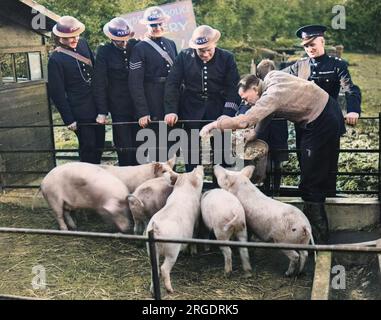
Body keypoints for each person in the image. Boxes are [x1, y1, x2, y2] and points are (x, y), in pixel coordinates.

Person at [200, 71, 346, 243]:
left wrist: (215, 124)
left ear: (255, 88)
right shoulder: (272, 77)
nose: (245, 102)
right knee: (312, 172)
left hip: (321, 120)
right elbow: (268, 111)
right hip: (326, 111)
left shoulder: (272, 95)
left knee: (311, 179)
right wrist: (255, 134)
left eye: (246, 99)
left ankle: (320, 241)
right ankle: (311, 234)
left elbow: (244, 120)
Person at [283, 24, 362, 196]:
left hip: (328, 124)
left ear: (322, 42)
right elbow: (278, 79)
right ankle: (310, 205)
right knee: (306, 164)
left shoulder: (337, 65)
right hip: (305, 125)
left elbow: (350, 88)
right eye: (306, 46)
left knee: (328, 166)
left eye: (313, 44)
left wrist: (353, 110)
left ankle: (330, 204)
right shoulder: (298, 66)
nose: (309, 49)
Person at [164, 25, 241, 172]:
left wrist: (227, 114)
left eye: (208, 50)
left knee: (222, 153)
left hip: (219, 109)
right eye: (201, 50)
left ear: (215, 44)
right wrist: (171, 110)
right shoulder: (184, 57)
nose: (205, 54)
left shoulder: (227, 58)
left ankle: (221, 190)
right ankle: (192, 188)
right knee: (191, 153)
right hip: (190, 109)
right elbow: (172, 84)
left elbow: (233, 87)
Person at [48, 16, 104, 164]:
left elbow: (95, 72)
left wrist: (103, 108)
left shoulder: (83, 43)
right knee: (88, 147)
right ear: (60, 38)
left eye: (76, 35)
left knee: (100, 145)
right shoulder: (56, 59)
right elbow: (57, 92)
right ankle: (85, 183)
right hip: (79, 111)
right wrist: (69, 118)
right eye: (70, 37)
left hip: (96, 106)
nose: (75, 39)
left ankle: (97, 180)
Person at [128, 6, 178, 163]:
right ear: (147, 26)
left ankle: (171, 179)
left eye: (160, 24)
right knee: (157, 147)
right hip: (153, 101)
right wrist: (142, 111)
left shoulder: (171, 44)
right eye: (153, 25)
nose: (157, 28)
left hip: (171, 101)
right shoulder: (139, 48)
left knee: (172, 143)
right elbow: (135, 83)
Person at [237, 59, 288, 193]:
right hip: (265, 134)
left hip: (276, 133)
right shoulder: (253, 90)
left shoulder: (275, 89)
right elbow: (243, 109)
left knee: (275, 165)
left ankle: (274, 191)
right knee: (265, 166)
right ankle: (266, 191)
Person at [93, 17, 139, 166]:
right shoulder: (104, 51)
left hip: (138, 103)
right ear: (112, 38)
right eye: (119, 40)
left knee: (140, 142)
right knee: (124, 144)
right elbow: (99, 82)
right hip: (118, 104)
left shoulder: (136, 45)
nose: (124, 43)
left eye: (126, 39)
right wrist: (102, 110)